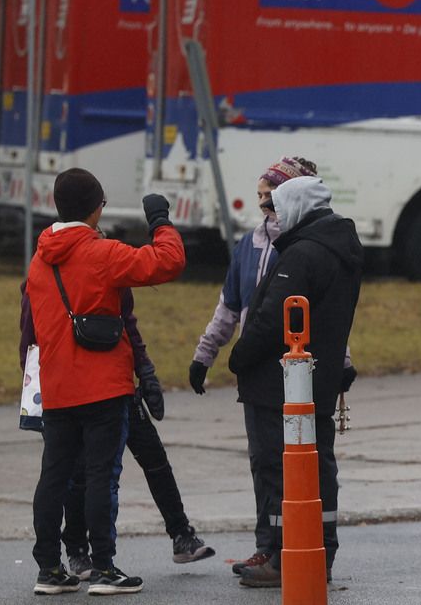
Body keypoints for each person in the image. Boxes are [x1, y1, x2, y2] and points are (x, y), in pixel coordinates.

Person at [24, 168, 185, 596]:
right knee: (100, 476)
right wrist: (160, 221)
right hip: (103, 386)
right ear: (96, 209)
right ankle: (102, 568)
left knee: (53, 478)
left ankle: (48, 570)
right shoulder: (102, 252)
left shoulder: (40, 261)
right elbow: (167, 262)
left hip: (56, 389)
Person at [188, 156, 326, 577]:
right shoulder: (248, 246)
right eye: (261, 200)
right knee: (263, 462)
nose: (265, 209)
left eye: (273, 200)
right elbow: (228, 308)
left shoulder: (305, 249)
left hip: (298, 372)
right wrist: (204, 355)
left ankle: (300, 549)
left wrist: (343, 360)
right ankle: (268, 547)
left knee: (298, 464)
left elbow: (330, 313)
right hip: (256, 370)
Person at [19, 286, 214, 581]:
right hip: (71, 394)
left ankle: (181, 533)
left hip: (115, 385)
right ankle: (79, 553)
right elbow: (30, 342)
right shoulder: (42, 277)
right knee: (80, 475)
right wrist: (39, 389)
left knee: (151, 457)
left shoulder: (105, 268)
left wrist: (144, 370)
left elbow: (126, 325)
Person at [227, 175, 363, 588]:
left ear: (299, 207)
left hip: (280, 382)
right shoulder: (340, 248)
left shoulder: (303, 254)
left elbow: (273, 317)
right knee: (317, 468)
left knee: (277, 469)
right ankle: (318, 552)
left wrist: (238, 358)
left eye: (280, 208)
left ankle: (283, 555)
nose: (276, 218)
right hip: (318, 383)